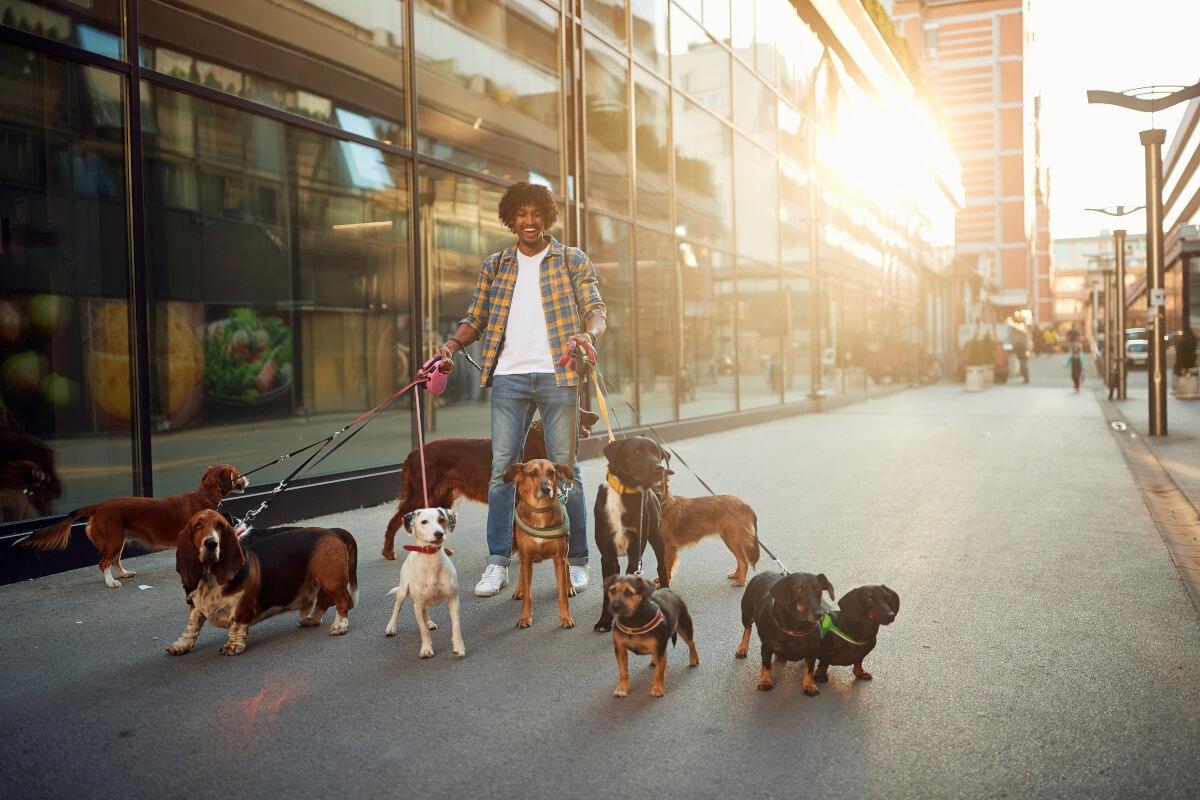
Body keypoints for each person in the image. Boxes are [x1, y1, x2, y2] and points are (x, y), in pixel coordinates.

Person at [436, 182, 607, 598]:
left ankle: (577, 560)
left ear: (547, 217)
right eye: (521, 214)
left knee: (567, 473)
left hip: (559, 375)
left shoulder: (570, 260)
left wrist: (588, 336)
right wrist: (451, 346)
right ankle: (498, 562)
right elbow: (476, 317)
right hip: (510, 377)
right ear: (511, 218)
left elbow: (595, 310)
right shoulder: (496, 265)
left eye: (536, 214)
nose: (528, 221)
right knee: (502, 472)